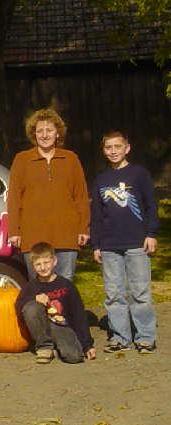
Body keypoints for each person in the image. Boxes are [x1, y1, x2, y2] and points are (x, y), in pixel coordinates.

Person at [91, 130, 159, 354]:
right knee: (114, 294)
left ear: (127, 148)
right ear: (103, 150)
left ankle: (145, 337)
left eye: (117, 147)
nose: (113, 151)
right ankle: (121, 337)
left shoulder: (139, 174)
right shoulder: (101, 179)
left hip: (136, 243)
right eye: (108, 147)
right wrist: (97, 244)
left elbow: (150, 206)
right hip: (110, 246)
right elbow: (97, 215)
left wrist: (151, 233)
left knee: (140, 292)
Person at [7, 108, 90, 281]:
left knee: (64, 285)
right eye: (40, 131)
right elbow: (14, 199)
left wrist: (83, 228)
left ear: (57, 133)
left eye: (49, 130)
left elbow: (81, 196)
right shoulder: (22, 160)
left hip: (66, 234)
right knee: (39, 286)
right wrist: (14, 231)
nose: (45, 135)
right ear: (34, 134)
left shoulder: (71, 159)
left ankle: (64, 310)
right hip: (34, 236)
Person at [15, 242, 97, 364]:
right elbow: (19, 307)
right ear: (33, 267)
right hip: (42, 327)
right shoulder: (30, 287)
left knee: (74, 357)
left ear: (54, 261)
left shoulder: (66, 285)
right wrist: (34, 298)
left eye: (46, 263)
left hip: (62, 326)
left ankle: (56, 350)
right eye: (38, 264)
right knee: (31, 307)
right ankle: (44, 347)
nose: (43, 268)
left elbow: (78, 315)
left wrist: (87, 345)